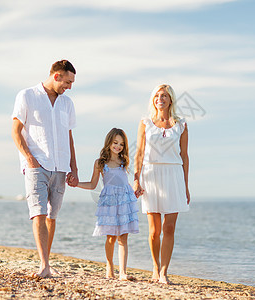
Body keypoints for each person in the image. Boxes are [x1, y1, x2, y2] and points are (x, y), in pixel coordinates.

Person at [11, 59, 79, 278]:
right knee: (38, 213)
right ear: (57, 76)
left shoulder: (67, 104)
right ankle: (44, 265)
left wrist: (74, 168)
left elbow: (69, 137)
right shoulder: (27, 96)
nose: (69, 87)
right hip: (36, 165)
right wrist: (30, 159)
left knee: (52, 216)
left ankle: (47, 262)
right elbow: (15, 130)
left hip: (60, 167)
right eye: (67, 82)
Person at [133, 84, 190, 284]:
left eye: (164, 95)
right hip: (151, 174)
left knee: (170, 228)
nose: (161, 99)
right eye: (157, 95)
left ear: (171, 99)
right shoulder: (145, 122)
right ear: (153, 99)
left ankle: (164, 272)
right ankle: (155, 268)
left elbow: (184, 156)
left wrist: (186, 185)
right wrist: (136, 179)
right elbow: (139, 153)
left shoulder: (181, 124)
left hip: (173, 174)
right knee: (154, 230)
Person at [69, 128, 139, 280]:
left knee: (123, 237)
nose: (118, 146)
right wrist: (77, 184)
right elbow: (93, 184)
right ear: (109, 143)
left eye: (121, 144)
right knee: (111, 238)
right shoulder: (100, 163)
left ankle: (123, 272)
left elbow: (125, 183)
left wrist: (136, 192)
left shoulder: (124, 161)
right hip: (110, 202)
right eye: (115, 142)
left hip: (124, 201)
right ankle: (109, 267)